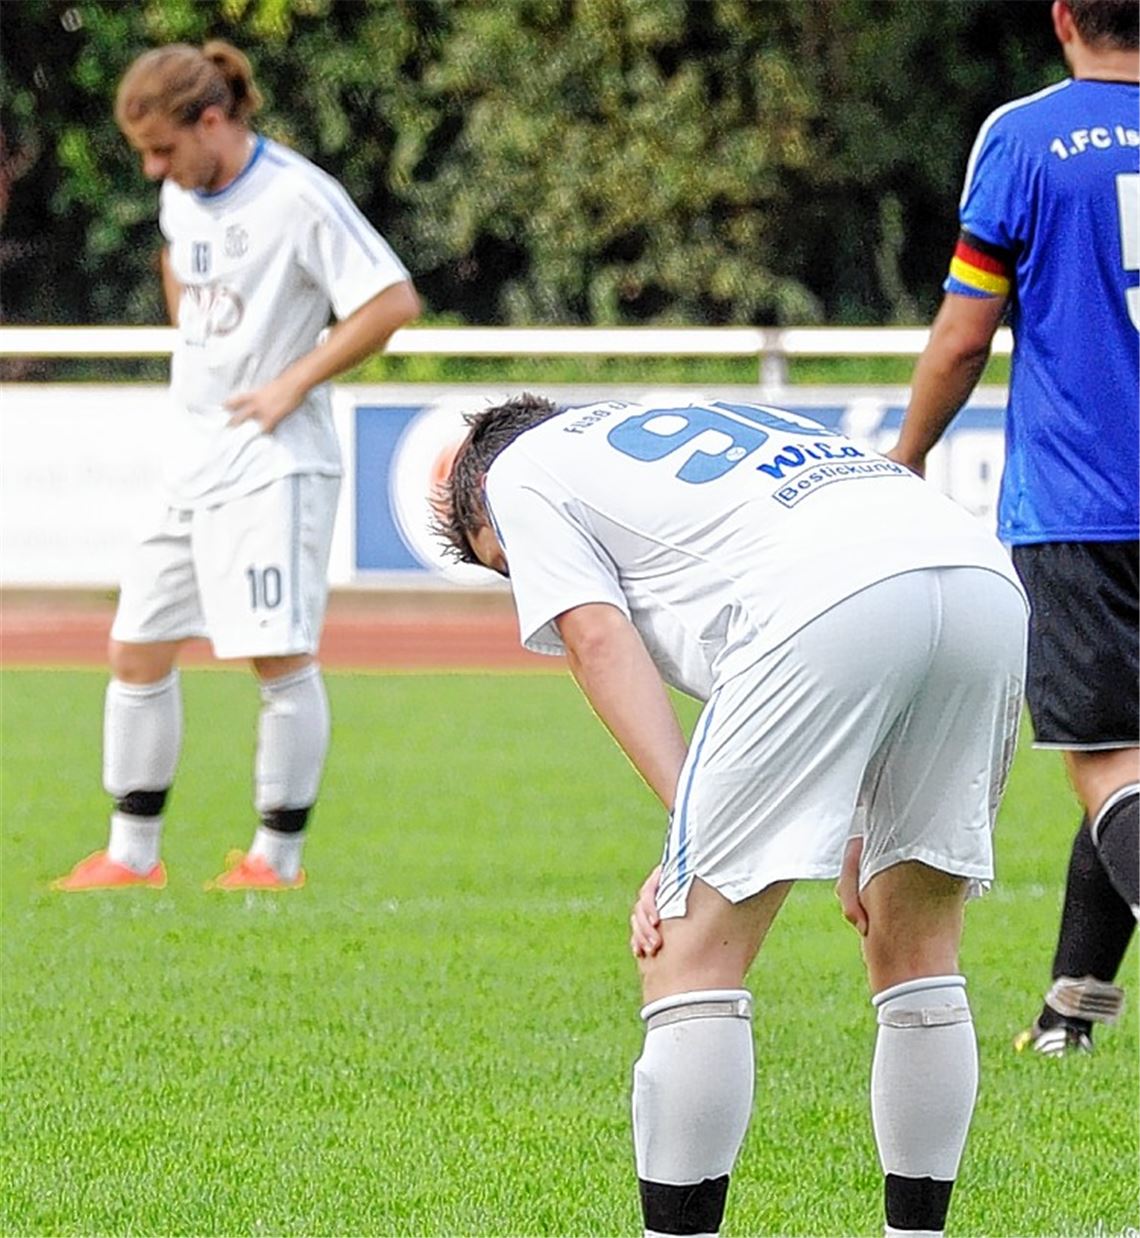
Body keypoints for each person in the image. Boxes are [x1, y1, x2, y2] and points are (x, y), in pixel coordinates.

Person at [436, 391, 1028, 1237]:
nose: (523, 580)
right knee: (917, 945)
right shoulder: (682, 417)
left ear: (480, 497)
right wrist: (861, 820)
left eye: (504, 565)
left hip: (827, 598)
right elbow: (880, 595)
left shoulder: (519, 472)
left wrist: (693, 831)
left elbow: (597, 640)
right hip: (979, 582)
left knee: (686, 955)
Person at [52, 41, 420, 892]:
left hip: (271, 464)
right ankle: (131, 857)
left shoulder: (297, 197)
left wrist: (290, 381)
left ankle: (274, 862)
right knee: (136, 647)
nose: (152, 170)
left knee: (277, 658)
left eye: (162, 150)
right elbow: (181, 266)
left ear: (211, 121)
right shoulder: (185, 197)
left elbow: (390, 299)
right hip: (192, 456)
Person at [887, 0, 1139, 1056]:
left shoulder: (1026, 136)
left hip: (1083, 506)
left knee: (1111, 765)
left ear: (1064, 16)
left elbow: (962, 336)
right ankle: (1073, 1004)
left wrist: (901, 461)